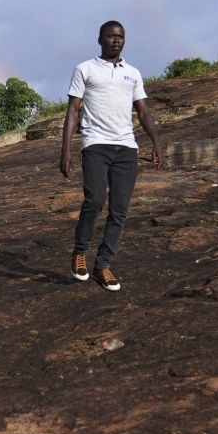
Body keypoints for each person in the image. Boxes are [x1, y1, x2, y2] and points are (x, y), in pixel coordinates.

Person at [59, 20, 163, 291]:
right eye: (110, 36)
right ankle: (80, 252)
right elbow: (73, 111)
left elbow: (143, 111)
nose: (116, 40)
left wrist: (155, 142)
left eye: (120, 36)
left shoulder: (133, 73)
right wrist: (66, 150)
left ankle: (103, 265)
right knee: (94, 199)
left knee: (120, 210)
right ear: (100, 39)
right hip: (95, 143)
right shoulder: (85, 69)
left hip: (126, 148)